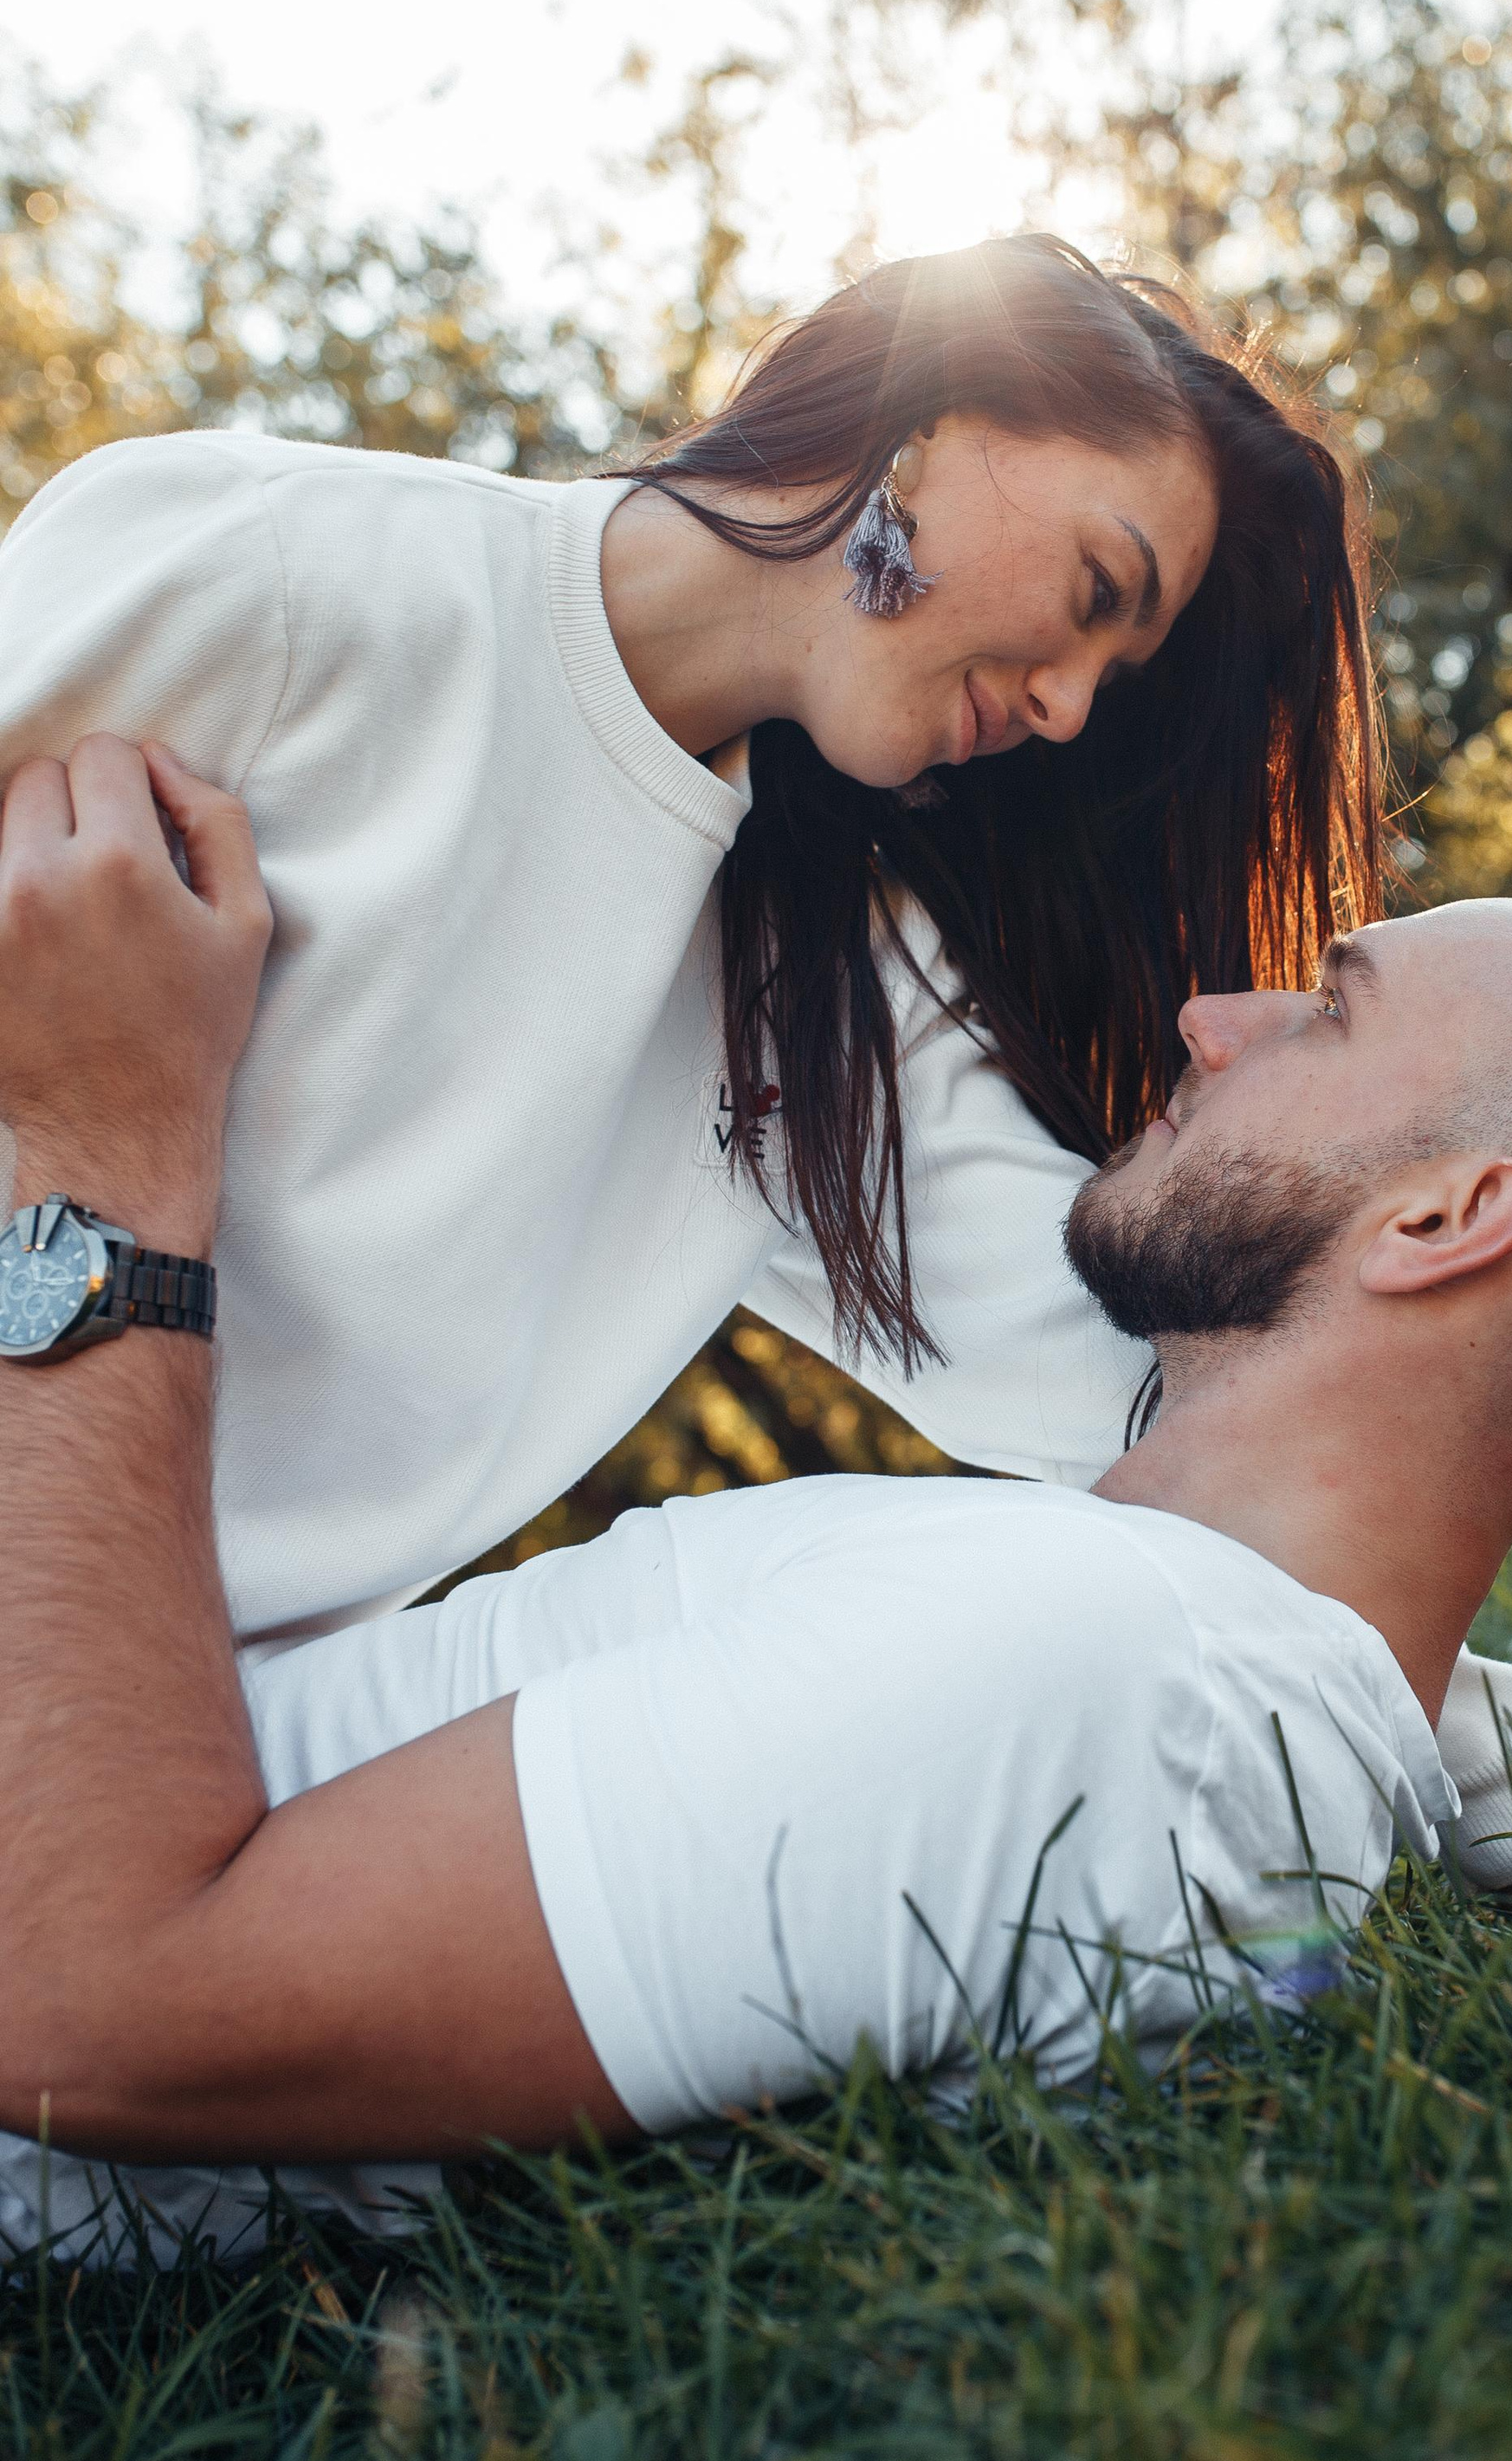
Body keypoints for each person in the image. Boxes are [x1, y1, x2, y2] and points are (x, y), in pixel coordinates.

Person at [0, 740, 1512, 2263]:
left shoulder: (1109, 1666)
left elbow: (100, 2006)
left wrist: (105, 1157)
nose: (1212, 1020)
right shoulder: (1213, 1649)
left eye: (1330, 1014)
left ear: (1444, 1220)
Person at [0, 239, 1376, 1643]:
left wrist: (1482, 1743)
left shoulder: (829, 987)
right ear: (931, 415)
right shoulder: (277, 568)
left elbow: (1145, 1401)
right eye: (1095, 590)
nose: (1070, 711)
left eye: (1113, 681)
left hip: (217, 1719)